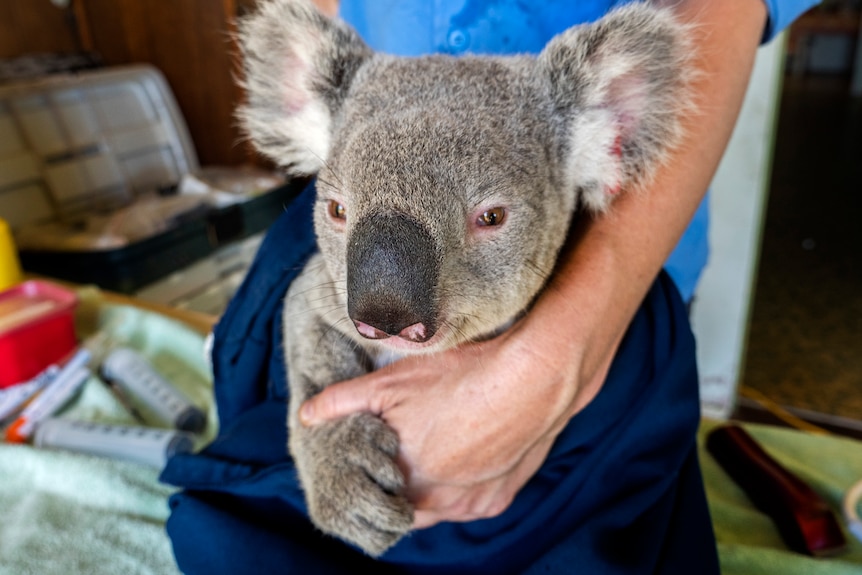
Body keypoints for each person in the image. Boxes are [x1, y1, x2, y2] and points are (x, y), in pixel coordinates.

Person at [160, 1, 820, 572]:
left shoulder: (596, 127)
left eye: (489, 218)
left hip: (614, 266)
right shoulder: (336, 213)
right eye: (335, 210)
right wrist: (323, 441)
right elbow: (313, 307)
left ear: (613, 130)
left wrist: (553, 360)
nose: (387, 314)